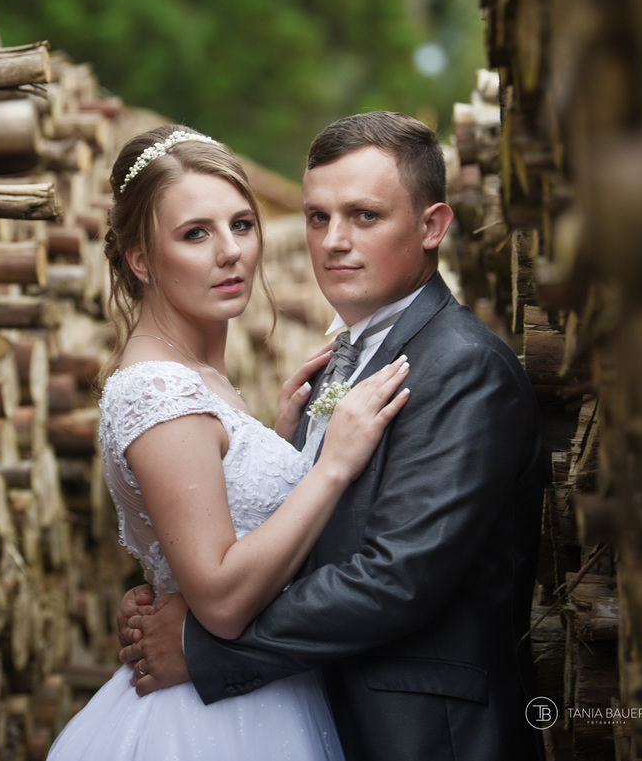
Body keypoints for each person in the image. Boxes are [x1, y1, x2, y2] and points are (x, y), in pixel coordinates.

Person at [118, 112, 547, 761]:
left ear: (432, 226)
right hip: (327, 715)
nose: (333, 241)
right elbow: (306, 538)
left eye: (364, 216)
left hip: (426, 736)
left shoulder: (462, 368)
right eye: (317, 217)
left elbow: (394, 578)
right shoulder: (343, 366)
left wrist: (196, 643)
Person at [45, 124, 412, 760]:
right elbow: (217, 601)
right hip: (213, 724)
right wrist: (330, 466)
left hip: (262, 690)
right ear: (139, 259)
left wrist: (279, 445)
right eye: (195, 233)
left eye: (242, 225)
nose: (230, 252)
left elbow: (220, 518)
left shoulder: (199, 378)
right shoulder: (158, 389)